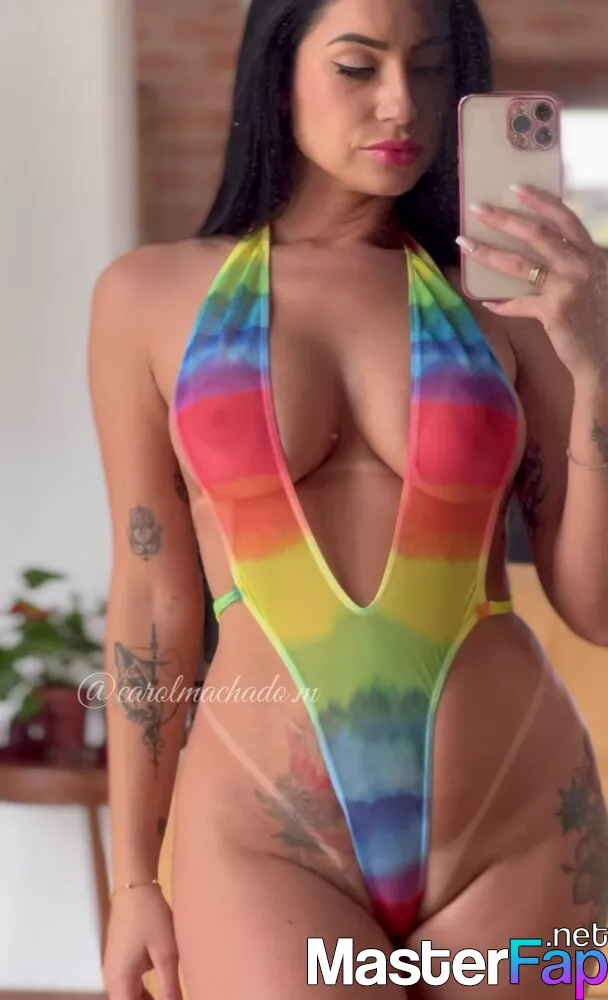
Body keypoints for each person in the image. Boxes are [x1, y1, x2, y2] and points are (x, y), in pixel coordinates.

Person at [88, 0, 608, 996]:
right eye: (357, 67)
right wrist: (134, 879)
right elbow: (151, 597)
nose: (400, 103)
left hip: (522, 820)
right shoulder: (147, 298)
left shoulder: (514, 306)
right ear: (277, 73)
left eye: (429, 67)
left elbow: (596, 608)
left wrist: (597, 363)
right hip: (263, 837)